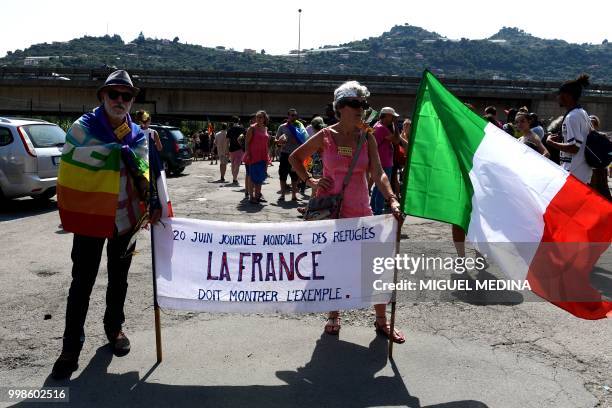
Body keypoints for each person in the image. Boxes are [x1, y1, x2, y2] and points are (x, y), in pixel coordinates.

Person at [51, 70, 162, 379]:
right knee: (82, 282)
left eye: (126, 96)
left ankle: (114, 329)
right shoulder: (82, 129)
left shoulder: (136, 134)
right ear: (102, 96)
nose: (120, 100)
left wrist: (152, 199)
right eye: (114, 94)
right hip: (91, 216)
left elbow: (142, 169)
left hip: (125, 218)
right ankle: (70, 347)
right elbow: (78, 162)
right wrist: (121, 152)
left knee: (119, 278)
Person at [289, 80, 405, 344]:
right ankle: (333, 314)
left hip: (361, 211)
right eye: (355, 104)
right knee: (334, 266)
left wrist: (392, 199)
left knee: (373, 267)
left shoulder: (368, 137)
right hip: (332, 214)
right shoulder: (326, 135)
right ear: (340, 107)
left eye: (363, 104)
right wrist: (311, 180)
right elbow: (295, 157)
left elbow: (378, 173)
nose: (361, 109)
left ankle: (381, 321)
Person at [546, 74, 593, 184]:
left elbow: (574, 148)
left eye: (559, 94)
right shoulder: (582, 113)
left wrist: (550, 142)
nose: (557, 98)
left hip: (573, 173)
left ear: (567, 96)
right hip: (582, 172)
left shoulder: (572, 117)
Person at [371, 107, 400, 215]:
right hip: (384, 162)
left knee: (377, 187)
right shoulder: (382, 128)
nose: (393, 119)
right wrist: (396, 126)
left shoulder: (377, 125)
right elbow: (396, 140)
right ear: (387, 115)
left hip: (381, 160)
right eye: (392, 117)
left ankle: (374, 209)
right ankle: (378, 211)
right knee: (381, 188)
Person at [276, 108, 308, 201]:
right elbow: (276, 141)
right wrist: (280, 142)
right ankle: (282, 195)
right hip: (285, 154)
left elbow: (305, 140)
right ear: (288, 116)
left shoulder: (300, 127)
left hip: (296, 155)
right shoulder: (282, 127)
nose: (294, 117)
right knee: (283, 175)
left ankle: (294, 196)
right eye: (292, 115)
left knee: (295, 176)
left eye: (295, 115)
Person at [244, 111, 270, 203]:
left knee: (260, 177)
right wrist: (248, 153)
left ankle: (258, 195)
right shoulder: (252, 128)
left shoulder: (265, 128)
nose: (258, 119)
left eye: (260, 117)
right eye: (257, 117)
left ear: (264, 118)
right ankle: (251, 197)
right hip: (253, 155)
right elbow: (246, 142)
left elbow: (266, 142)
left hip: (263, 155)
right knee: (252, 177)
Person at [588, 115, 611, 200]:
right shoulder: (584, 136)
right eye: (589, 122)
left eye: (593, 123)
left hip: (600, 168)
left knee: (603, 190)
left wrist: (606, 162)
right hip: (589, 168)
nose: (590, 125)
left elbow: (609, 151)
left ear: (596, 125)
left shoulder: (602, 136)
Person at [227, 117, 246, 185]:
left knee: (232, 164)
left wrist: (227, 150)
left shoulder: (230, 129)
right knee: (237, 164)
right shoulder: (242, 129)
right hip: (240, 149)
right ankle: (235, 178)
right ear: (239, 121)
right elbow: (244, 138)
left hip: (231, 149)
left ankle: (234, 177)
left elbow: (228, 141)